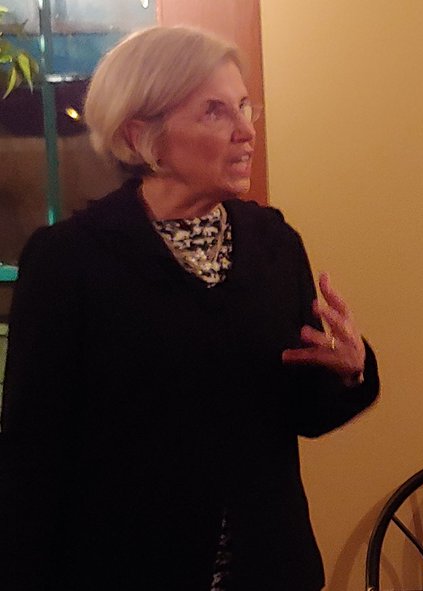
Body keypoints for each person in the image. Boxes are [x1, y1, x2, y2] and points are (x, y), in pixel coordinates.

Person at [0, 26, 381, 590]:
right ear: (142, 135)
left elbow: (297, 413)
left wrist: (350, 372)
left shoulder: (274, 243)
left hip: (268, 571)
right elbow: (32, 454)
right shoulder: (70, 260)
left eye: (245, 106)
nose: (246, 131)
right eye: (214, 111)